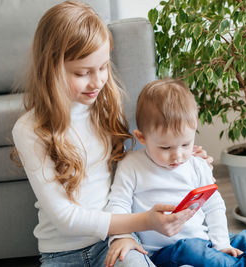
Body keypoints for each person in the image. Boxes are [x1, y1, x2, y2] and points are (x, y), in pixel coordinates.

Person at [11, 2, 213, 266]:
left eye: (103, 67)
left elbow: (130, 170)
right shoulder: (29, 130)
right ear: (51, 69)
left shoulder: (105, 108)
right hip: (61, 255)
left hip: (116, 239)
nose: (97, 82)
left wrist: (180, 154)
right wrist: (144, 221)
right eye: (83, 73)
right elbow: (65, 217)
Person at [105, 78, 246, 267]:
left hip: (205, 238)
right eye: (165, 148)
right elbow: (117, 205)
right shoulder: (131, 165)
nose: (178, 156)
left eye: (185, 144)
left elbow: (214, 205)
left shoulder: (196, 165)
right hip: (165, 252)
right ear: (141, 137)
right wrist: (122, 237)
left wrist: (222, 244)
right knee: (194, 252)